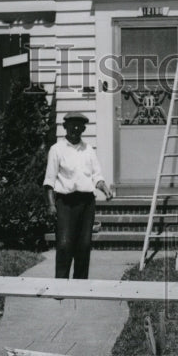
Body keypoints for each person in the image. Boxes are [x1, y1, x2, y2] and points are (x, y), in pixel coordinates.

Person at [44, 112, 114, 279]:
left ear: (83, 128)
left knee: (84, 245)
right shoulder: (56, 150)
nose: (75, 128)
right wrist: (51, 205)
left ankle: (80, 285)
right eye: (72, 125)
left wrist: (104, 187)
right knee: (64, 244)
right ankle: (60, 285)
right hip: (66, 203)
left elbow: (96, 176)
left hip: (86, 202)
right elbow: (49, 181)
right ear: (65, 127)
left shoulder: (88, 150)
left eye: (79, 125)